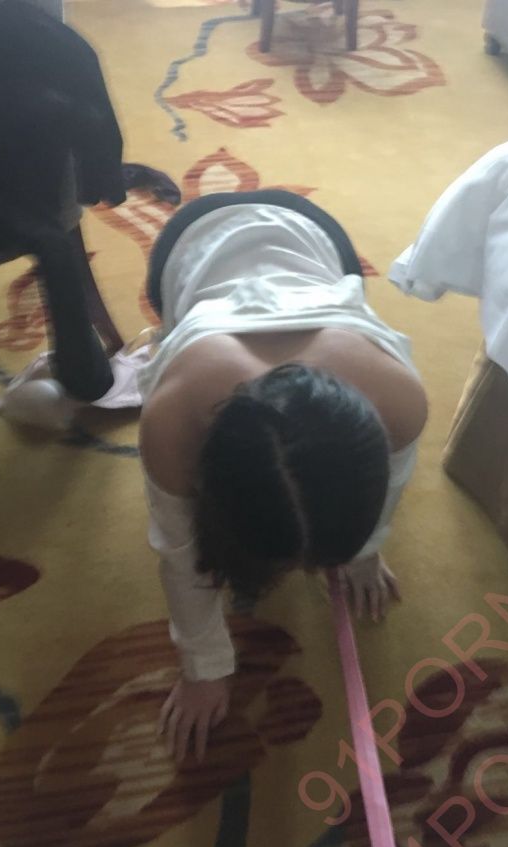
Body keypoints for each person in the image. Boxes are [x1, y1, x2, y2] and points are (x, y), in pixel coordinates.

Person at [139, 190, 427, 762]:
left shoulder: (397, 397)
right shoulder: (174, 419)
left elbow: (387, 491)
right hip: (186, 240)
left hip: (316, 234)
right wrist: (204, 668)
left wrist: (364, 553)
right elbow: (181, 553)